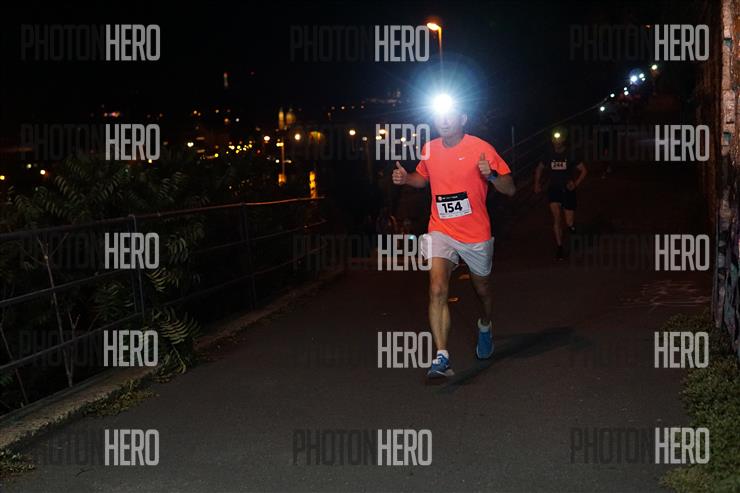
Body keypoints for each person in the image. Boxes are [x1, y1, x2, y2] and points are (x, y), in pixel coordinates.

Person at [392, 99, 516, 378]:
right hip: (441, 228)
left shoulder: (481, 148)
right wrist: (406, 178)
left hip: (475, 233)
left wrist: (491, 176)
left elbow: (510, 188)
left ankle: (485, 324)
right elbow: (422, 178)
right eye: (440, 116)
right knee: (437, 288)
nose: (444, 121)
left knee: (482, 289)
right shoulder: (430, 149)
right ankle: (442, 356)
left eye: (450, 116)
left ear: (463, 119)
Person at [534, 132, 587, 260]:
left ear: (563, 140)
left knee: (569, 222)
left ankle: (574, 235)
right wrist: (536, 184)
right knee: (557, 219)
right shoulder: (548, 154)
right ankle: (560, 247)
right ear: (552, 141)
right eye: (555, 139)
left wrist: (575, 184)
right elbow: (539, 168)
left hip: (568, 190)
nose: (557, 142)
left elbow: (584, 170)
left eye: (559, 139)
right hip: (554, 189)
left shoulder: (570, 154)